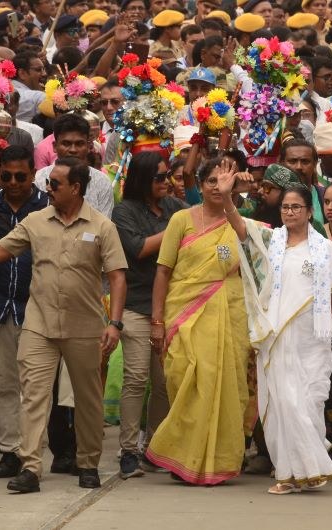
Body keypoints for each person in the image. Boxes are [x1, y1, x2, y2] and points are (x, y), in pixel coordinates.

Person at [0, 157, 128, 493]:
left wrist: (115, 323)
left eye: (55, 184)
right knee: (33, 395)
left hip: (86, 326)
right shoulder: (35, 221)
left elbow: (118, 277)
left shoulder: (102, 227)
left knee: (87, 399)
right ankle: (30, 467)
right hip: (39, 324)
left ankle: (88, 462)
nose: (47, 188)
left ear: (75, 188)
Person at [222, 166, 332, 494]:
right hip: (278, 338)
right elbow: (240, 228)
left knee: (308, 403)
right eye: (285, 207)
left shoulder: (323, 248)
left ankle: (308, 469)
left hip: (313, 338)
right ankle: (289, 472)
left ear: (310, 212)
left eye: (297, 207)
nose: (290, 212)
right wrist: (227, 196)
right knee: (283, 402)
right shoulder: (271, 240)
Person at [146, 158, 251, 485]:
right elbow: (163, 271)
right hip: (183, 312)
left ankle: (216, 461)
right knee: (186, 379)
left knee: (223, 382)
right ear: (199, 185)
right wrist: (158, 320)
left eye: (224, 183)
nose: (217, 188)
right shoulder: (181, 219)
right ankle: (182, 458)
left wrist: (230, 198)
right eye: (211, 182)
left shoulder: (235, 220)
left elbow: (245, 236)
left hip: (227, 311)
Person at [112, 151, 187, 479]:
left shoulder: (172, 207)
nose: (166, 182)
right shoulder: (124, 211)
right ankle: (127, 450)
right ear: (142, 180)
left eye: (167, 174)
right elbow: (139, 248)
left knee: (164, 381)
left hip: (171, 306)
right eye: (159, 177)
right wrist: (175, 230)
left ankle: (154, 446)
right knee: (136, 378)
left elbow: (200, 219)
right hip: (136, 306)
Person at [0, 146, 48, 479]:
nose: (14, 182)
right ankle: (9, 451)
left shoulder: (47, 205)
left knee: (34, 386)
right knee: (4, 382)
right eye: (7, 176)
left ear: (33, 174)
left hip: (37, 308)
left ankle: (30, 451)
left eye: (22, 176)